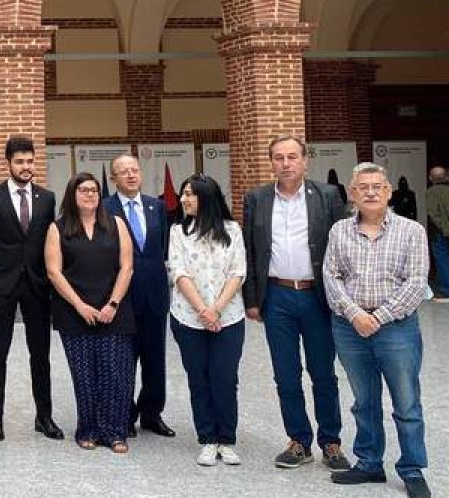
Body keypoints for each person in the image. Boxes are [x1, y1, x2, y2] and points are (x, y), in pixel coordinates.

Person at [242, 135, 350, 471]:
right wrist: (252, 299)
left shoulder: (328, 195)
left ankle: (330, 442)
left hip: (318, 297)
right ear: (270, 162)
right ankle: (299, 441)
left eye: (292, 157)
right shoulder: (257, 198)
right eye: (278, 157)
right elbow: (250, 250)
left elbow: (342, 247)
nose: (285, 163)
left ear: (305, 160)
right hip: (277, 297)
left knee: (323, 374)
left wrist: (342, 297)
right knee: (285, 375)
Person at [324, 163, 431, 498]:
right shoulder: (339, 231)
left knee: (407, 402)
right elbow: (331, 275)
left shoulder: (412, 231)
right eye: (363, 187)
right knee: (364, 400)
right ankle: (369, 463)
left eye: (377, 186)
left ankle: (412, 469)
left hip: (397, 329)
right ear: (352, 193)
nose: (370, 192)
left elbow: (416, 282)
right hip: (349, 328)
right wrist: (356, 315)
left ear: (388, 191)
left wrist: (379, 317)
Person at [0, 135, 62, 443]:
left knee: (41, 353)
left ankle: (44, 416)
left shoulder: (47, 197)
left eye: (30, 161)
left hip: (37, 284)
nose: (26, 167)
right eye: (20, 162)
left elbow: (49, 239)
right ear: (9, 163)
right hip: (3, 283)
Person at [45, 172, 136, 453]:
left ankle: (115, 431)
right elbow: (54, 271)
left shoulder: (116, 224)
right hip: (75, 311)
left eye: (94, 190)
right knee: (84, 374)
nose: (90, 195)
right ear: (72, 195)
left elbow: (127, 267)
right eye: (83, 190)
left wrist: (112, 304)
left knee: (114, 371)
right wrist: (79, 305)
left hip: (114, 309)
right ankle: (88, 429)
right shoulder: (57, 228)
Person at [167, 174, 246, 467]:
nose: (185, 199)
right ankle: (207, 439)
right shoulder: (178, 232)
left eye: (191, 194)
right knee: (198, 379)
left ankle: (227, 439)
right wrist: (203, 310)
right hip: (188, 318)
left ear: (207, 197)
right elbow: (179, 272)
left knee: (225, 379)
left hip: (229, 317)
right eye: (183, 193)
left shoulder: (232, 230)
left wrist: (217, 309)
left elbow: (238, 271)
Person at [104, 154, 174, 438]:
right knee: (123, 359)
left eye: (135, 170)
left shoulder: (156, 206)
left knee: (155, 359)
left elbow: (163, 248)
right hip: (123, 297)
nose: (131, 175)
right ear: (113, 179)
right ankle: (124, 414)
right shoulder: (105, 208)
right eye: (124, 172)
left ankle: (151, 413)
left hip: (155, 294)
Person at [425, 166, 449, 302]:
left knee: (442, 260)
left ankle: (446, 291)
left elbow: (434, 214)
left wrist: (444, 229)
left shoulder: (432, 191)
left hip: (441, 233)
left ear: (431, 178)